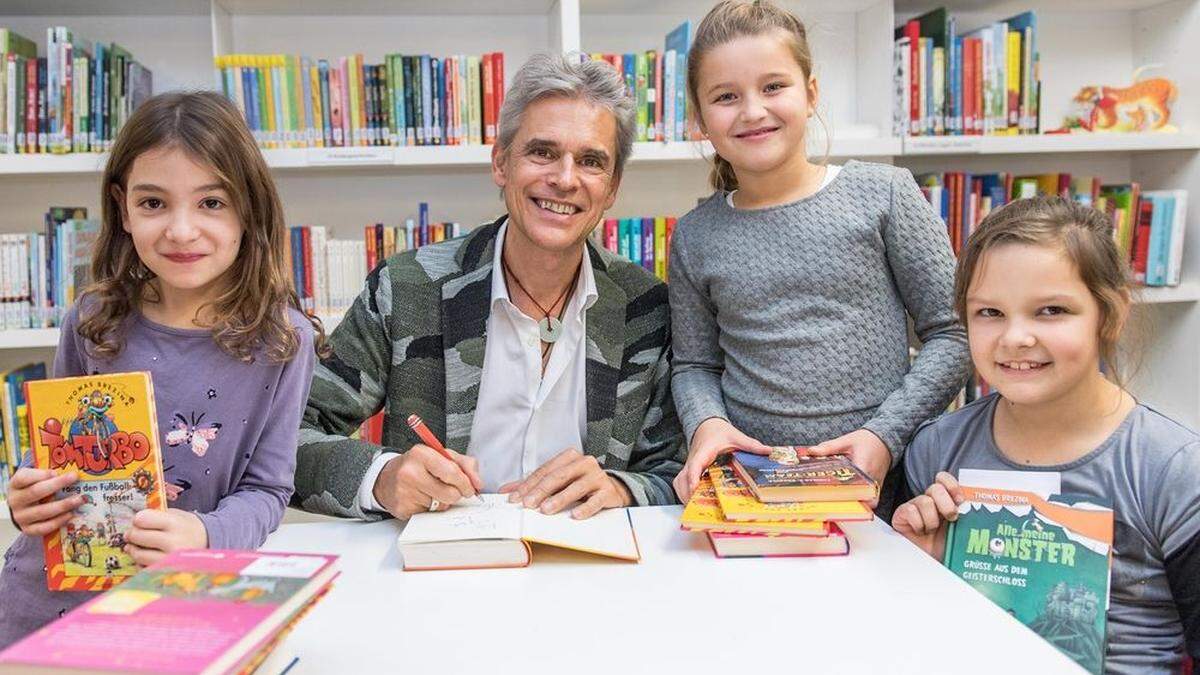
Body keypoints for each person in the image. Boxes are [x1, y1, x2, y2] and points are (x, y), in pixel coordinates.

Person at [294, 53, 685, 522]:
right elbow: (289, 436)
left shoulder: (647, 306)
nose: (563, 179)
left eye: (590, 161)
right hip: (440, 570)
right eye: (542, 152)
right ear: (501, 163)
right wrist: (381, 477)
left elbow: (679, 471)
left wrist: (622, 487)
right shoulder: (406, 288)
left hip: (589, 569)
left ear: (613, 187)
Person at [0, 91, 320, 648]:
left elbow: (268, 491)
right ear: (123, 209)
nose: (180, 230)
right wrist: (28, 490)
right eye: (153, 203)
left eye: (211, 203)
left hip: (179, 606)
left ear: (250, 207)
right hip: (45, 610)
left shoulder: (282, 340)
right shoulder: (92, 320)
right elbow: (51, 453)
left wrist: (204, 532)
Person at [669, 0, 970, 516]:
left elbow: (956, 331)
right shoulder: (695, 235)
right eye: (725, 96)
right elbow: (695, 364)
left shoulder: (885, 195)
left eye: (773, 87)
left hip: (883, 483)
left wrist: (883, 435)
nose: (752, 110)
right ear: (699, 119)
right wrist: (707, 426)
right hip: (750, 487)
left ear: (810, 93)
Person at [895, 196, 1200, 674]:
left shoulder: (1173, 468)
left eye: (1051, 311)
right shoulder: (936, 448)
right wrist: (920, 567)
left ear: (1111, 314)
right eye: (990, 313)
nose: (1015, 337)